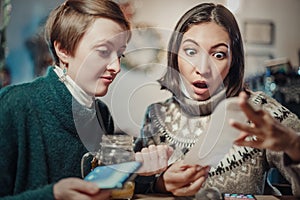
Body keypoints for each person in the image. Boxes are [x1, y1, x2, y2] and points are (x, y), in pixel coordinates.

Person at [0, 0, 170, 199]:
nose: (115, 67)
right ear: (63, 49)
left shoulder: (101, 113)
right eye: (103, 51)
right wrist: (53, 196)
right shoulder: (15, 104)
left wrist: (157, 181)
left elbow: (109, 185)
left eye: (120, 54)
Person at [134, 2, 300, 197]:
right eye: (191, 52)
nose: (203, 68)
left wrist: (293, 145)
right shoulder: (156, 115)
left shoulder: (258, 111)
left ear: (233, 62)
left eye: (218, 54)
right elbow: (131, 185)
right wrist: (160, 184)